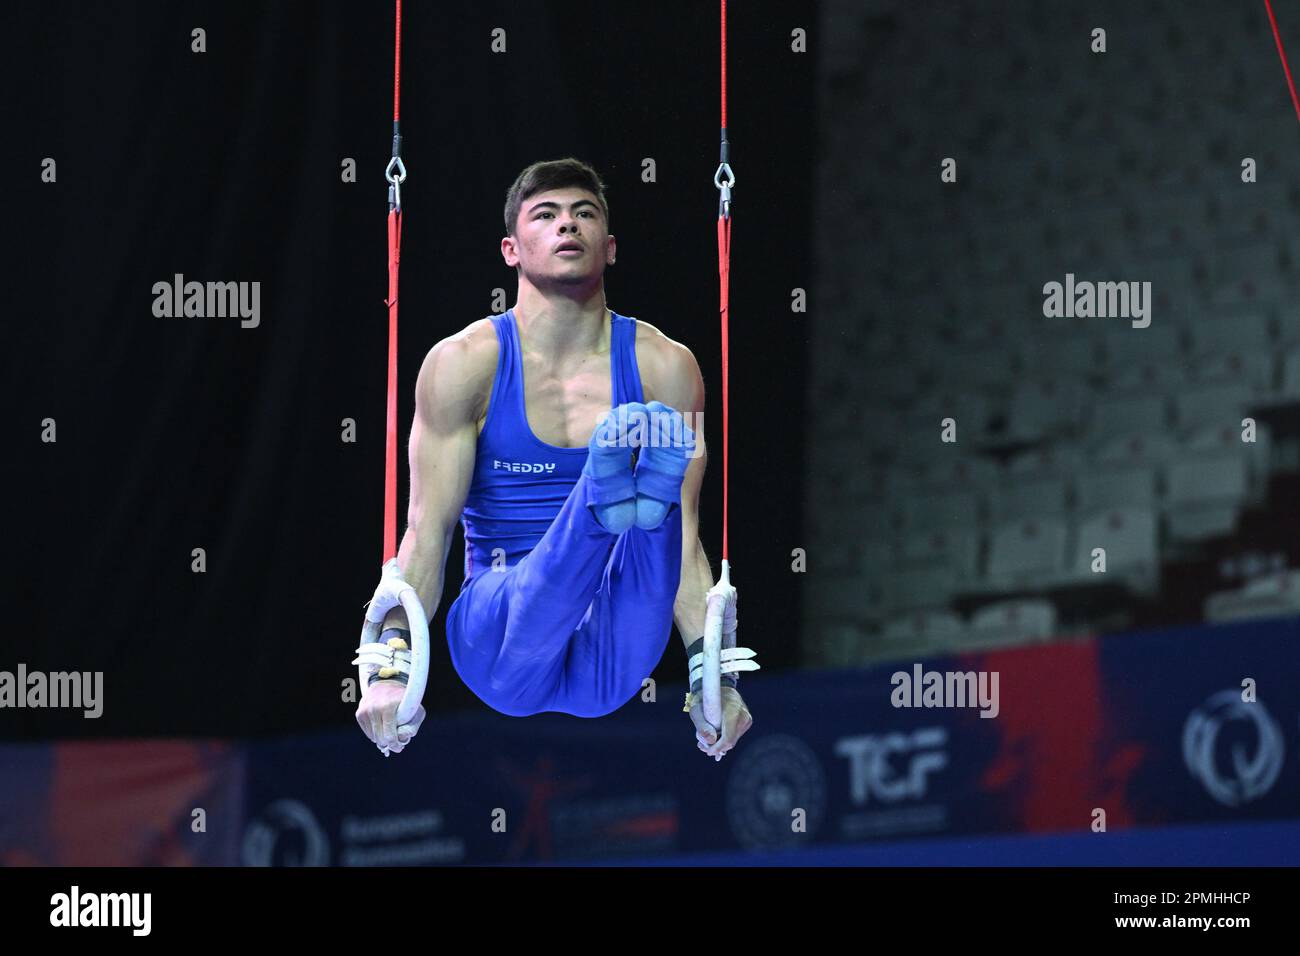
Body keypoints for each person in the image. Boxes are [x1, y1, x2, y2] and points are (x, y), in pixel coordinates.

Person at [355, 158, 753, 760]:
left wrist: (713, 677)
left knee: (662, 527)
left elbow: (689, 544)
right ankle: (604, 492)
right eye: (547, 215)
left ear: (610, 247)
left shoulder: (668, 366)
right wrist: (391, 665)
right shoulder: (465, 363)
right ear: (511, 249)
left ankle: (622, 494)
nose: (568, 224)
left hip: (610, 653)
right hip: (498, 632)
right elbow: (426, 532)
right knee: (572, 560)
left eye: (584, 213)